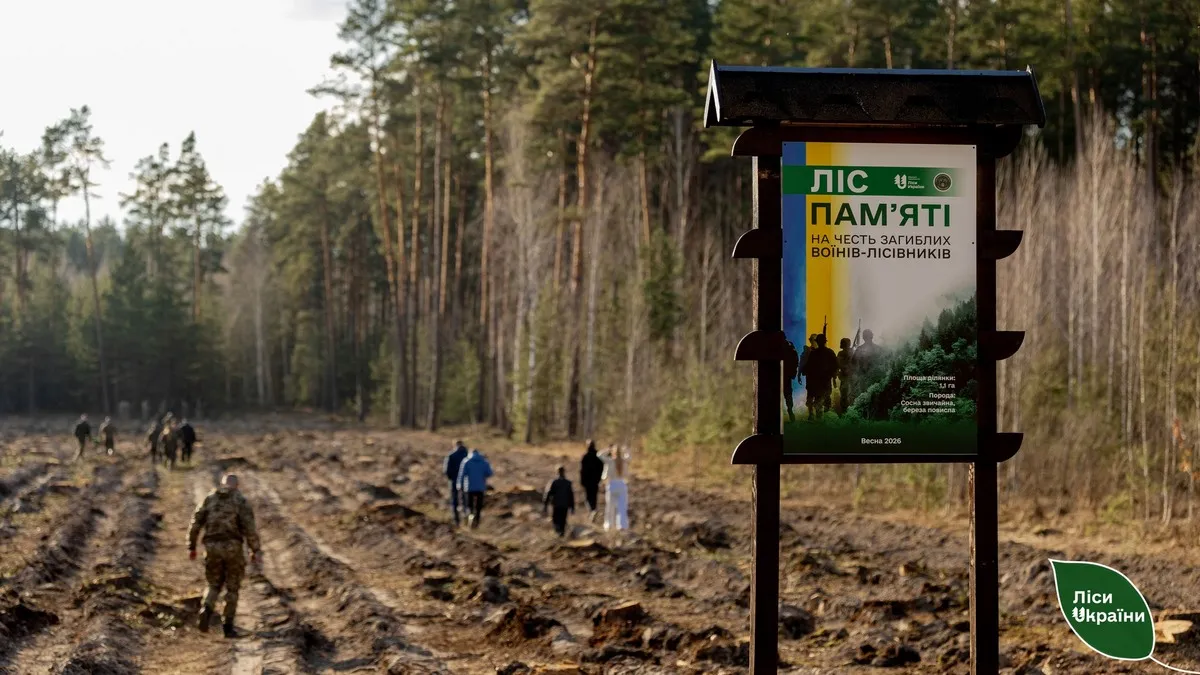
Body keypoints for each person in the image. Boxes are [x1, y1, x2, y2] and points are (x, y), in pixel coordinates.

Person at [188, 473, 262, 639]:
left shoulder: (210, 499)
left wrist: (191, 546)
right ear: (236, 485)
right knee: (232, 587)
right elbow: (249, 528)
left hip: (212, 547)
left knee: (213, 584)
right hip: (233, 548)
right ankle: (228, 627)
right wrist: (254, 550)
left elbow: (196, 523)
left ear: (222, 484)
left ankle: (207, 607)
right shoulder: (240, 501)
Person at [802, 334, 838, 421]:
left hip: (819, 381)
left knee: (818, 400)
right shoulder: (824, 352)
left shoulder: (815, 353)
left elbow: (835, 366)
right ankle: (816, 417)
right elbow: (835, 366)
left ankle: (816, 417)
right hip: (819, 381)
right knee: (817, 400)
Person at [457, 448, 493, 529]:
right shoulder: (484, 461)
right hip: (480, 487)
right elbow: (490, 473)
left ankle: (470, 519)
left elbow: (462, 474)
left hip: (469, 487)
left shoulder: (466, 461)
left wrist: (459, 484)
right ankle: (476, 522)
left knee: (470, 506)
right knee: (478, 507)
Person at [601, 446, 630, 531]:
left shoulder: (610, 461)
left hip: (612, 484)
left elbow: (599, 455)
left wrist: (607, 449)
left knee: (610, 506)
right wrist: (626, 450)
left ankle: (608, 524)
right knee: (622, 506)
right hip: (621, 484)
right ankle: (622, 525)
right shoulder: (624, 461)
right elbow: (629, 456)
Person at [543, 466, 576, 537]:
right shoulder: (567, 483)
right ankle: (561, 534)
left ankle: (558, 533)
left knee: (556, 520)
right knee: (562, 520)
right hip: (564, 505)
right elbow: (571, 496)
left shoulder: (554, 482)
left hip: (557, 505)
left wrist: (545, 505)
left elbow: (548, 494)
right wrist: (572, 507)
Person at [443, 440, 469, 526]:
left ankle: (456, 520)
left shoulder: (451, 455)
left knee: (455, 500)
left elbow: (446, 471)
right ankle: (466, 518)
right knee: (466, 499)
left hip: (454, 481)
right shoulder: (468, 455)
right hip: (466, 481)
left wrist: (452, 478)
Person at [579, 440, 604, 522]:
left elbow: (582, 470)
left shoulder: (585, 456)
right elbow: (602, 468)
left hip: (587, 481)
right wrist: (599, 478)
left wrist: (582, 481)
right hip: (595, 481)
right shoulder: (598, 456)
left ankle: (592, 510)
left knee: (588, 498)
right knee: (594, 497)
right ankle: (593, 510)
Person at [783, 340, 800, 423]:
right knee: (788, 393)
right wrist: (793, 373)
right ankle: (790, 409)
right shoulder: (791, 349)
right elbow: (796, 362)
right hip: (787, 376)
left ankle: (789, 410)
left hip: (782, 375)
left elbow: (796, 363)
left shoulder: (777, 348)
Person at [836, 338, 855, 415]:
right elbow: (838, 364)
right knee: (844, 395)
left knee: (851, 394)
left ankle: (850, 411)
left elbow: (855, 363)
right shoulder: (841, 353)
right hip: (844, 376)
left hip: (851, 376)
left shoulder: (852, 352)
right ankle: (844, 412)